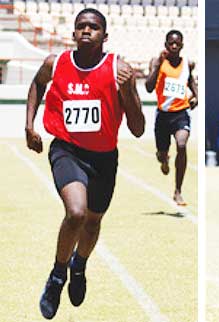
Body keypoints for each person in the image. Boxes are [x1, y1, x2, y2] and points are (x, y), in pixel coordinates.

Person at [24, 8, 144, 319]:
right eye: (81, 26)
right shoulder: (57, 63)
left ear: (105, 35)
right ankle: (57, 275)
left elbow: (138, 128)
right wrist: (29, 125)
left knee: (92, 222)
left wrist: (128, 89)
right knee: (76, 213)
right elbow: (37, 85)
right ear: (74, 33)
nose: (86, 31)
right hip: (67, 150)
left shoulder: (119, 69)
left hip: (104, 158)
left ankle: (79, 266)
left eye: (93, 27)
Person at [145, 29, 198, 206]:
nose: (174, 46)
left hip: (180, 113)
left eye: (177, 43)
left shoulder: (188, 64)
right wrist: (158, 64)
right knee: (162, 153)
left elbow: (191, 82)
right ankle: (163, 159)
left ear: (182, 45)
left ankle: (178, 190)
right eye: (171, 43)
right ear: (166, 45)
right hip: (163, 115)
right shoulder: (158, 61)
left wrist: (196, 96)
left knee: (182, 145)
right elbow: (148, 87)